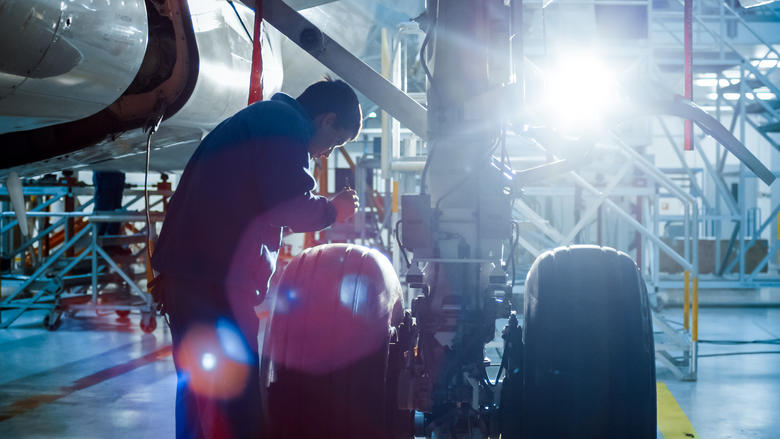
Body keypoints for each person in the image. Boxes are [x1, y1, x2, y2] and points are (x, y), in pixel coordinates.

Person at [150, 78, 362, 439]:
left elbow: (264, 208)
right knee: (235, 399)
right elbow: (289, 205)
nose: (326, 153)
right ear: (326, 120)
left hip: (195, 277)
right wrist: (332, 211)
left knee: (200, 393)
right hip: (211, 285)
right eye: (335, 142)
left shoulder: (265, 118)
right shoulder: (284, 125)